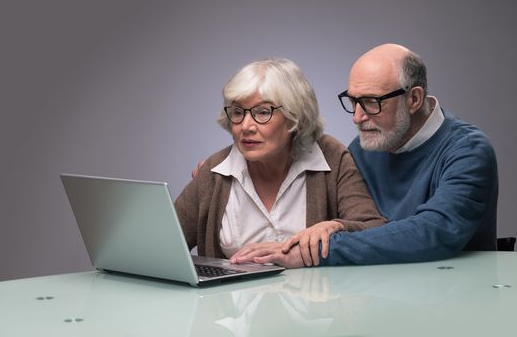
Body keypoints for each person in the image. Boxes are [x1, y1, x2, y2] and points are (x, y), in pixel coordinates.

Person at [264, 44, 498, 267]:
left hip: (456, 298)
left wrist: (319, 252)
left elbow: (433, 233)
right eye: (353, 101)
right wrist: (337, 225)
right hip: (378, 294)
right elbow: (361, 222)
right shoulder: (363, 147)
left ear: (414, 99)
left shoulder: (468, 150)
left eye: (371, 102)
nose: (357, 117)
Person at [174, 58, 386, 266]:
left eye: (263, 112)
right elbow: (161, 244)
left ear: (295, 118)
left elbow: (374, 229)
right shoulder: (215, 170)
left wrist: (336, 226)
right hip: (231, 301)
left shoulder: (332, 157)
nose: (246, 126)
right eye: (238, 112)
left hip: (315, 301)